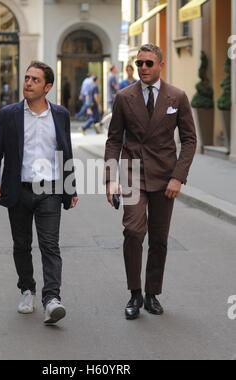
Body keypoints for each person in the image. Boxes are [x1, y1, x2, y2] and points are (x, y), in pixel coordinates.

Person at [104, 44, 197, 320]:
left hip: (165, 176)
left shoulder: (177, 97)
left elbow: (190, 140)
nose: (143, 68)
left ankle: (152, 293)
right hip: (132, 174)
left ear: (160, 65)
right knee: (133, 231)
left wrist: (178, 177)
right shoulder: (123, 97)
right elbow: (113, 140)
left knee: (159, 239)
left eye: (148, 63)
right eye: (139, 63)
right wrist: (110, 180)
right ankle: (135, 292)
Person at [0, 61, 78, 325]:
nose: (28, 82)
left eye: (35, 79)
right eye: (26, 77)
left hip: (49, 189)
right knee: (22, 245)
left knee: (50, 245)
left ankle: (52, 299)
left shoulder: (60, 115)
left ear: (47, 87)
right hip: (19, 189)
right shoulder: (9, 114)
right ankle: (27, 289)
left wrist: (70, 188)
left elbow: (65, 153)